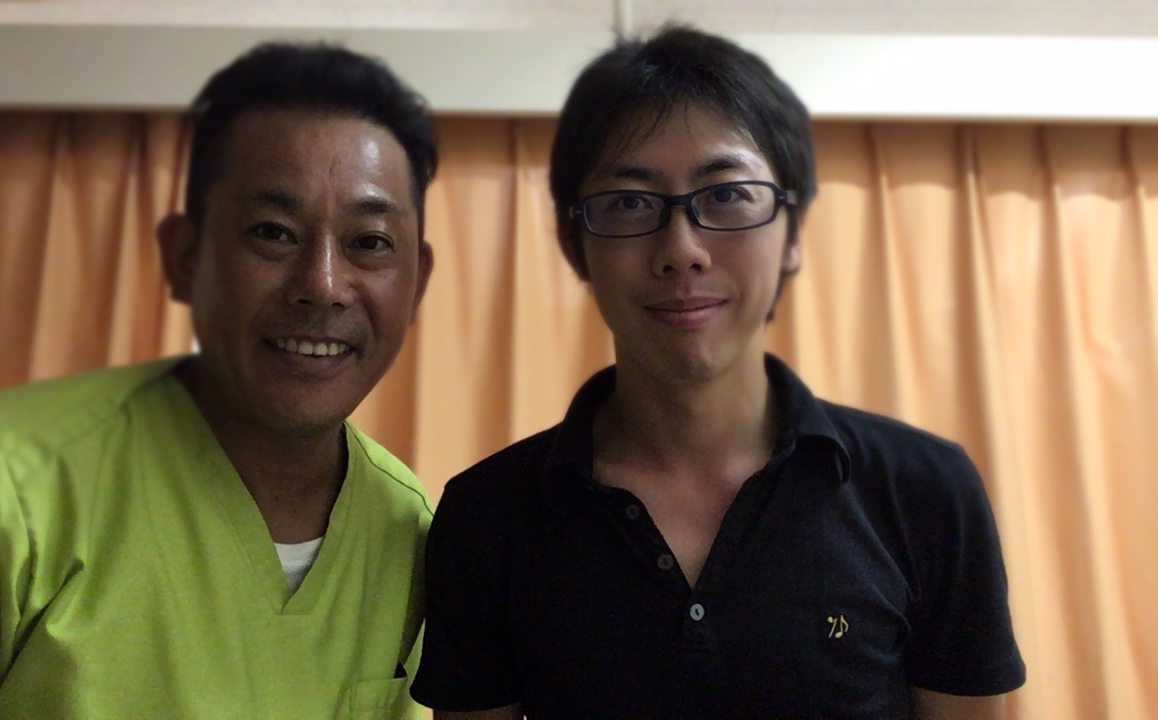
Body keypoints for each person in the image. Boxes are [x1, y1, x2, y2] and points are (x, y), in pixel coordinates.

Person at [411, 25, 1025, 720]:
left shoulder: (925, 491)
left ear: (792, 233)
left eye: (727, 195)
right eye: (630, 202)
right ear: (573, 243)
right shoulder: (488, 514)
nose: (682, 250)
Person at [0, 42, 436, 718]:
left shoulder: (407, 529)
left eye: (369, 242)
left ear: (417, 282)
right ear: (186, 257)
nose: (323, 285)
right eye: (273, 232)